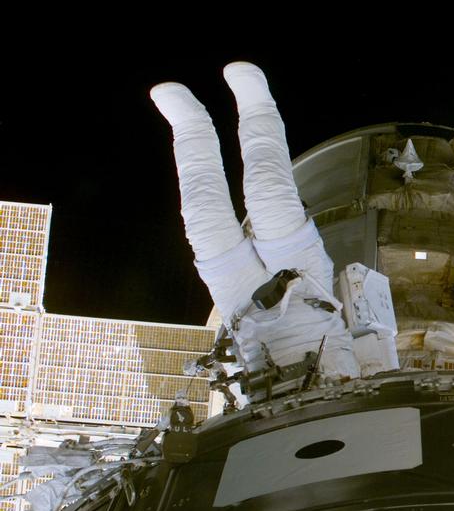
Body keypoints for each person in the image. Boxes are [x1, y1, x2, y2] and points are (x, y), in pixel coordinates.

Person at [150, 63, 359, 387]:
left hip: (242, 307)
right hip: (303, 284)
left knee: (203, 217)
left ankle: (190, 127)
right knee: (268, 191)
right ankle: (257, 105)